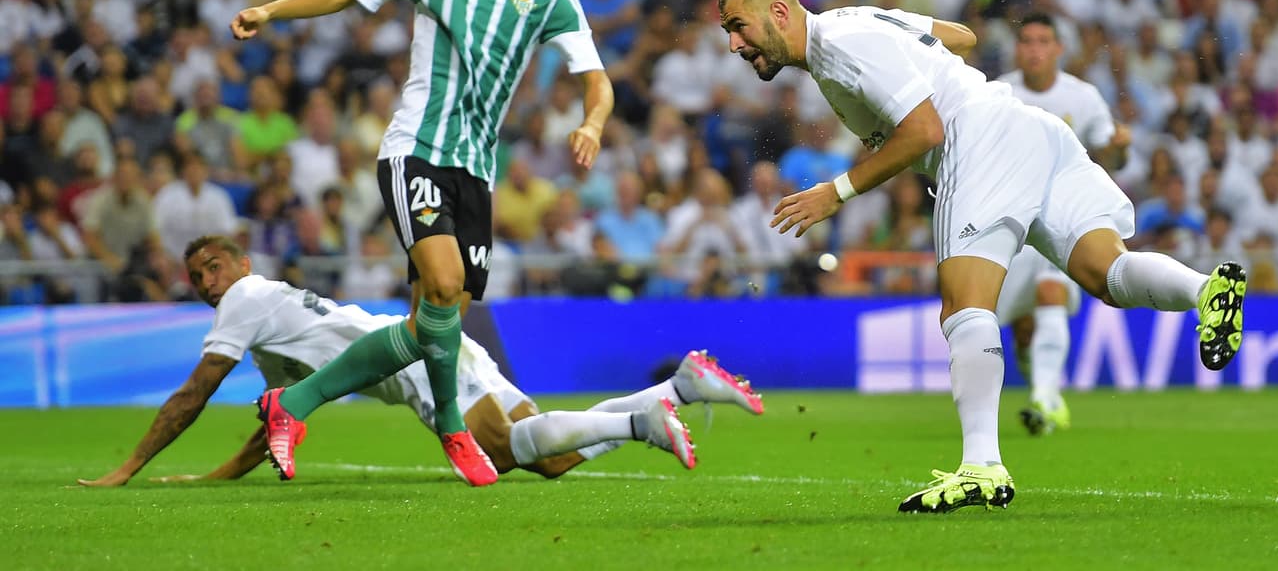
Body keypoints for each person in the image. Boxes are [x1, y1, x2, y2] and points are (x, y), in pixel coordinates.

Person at [716, 0, 1246, 514]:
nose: (733, 43)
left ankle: (982, 467)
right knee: (1107, 274)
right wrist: (917, 54)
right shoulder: (859, 21)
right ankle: (1206, 291)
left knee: (964, 304)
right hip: (1028, 128)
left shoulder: (842, 43)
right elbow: (962, 38)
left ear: (779, 13)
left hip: (978, 138)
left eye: (738, 26)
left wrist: (837, 191)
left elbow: (925, 131)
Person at [230, 0, 615, 486]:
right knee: (442, 283)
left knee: (432, 325)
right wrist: (269, 12)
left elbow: (597, 81)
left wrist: (592, 123)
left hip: (476, 171)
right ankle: (452, 424)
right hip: (416, 149)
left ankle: (293, 404)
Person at [77, 236, 764, 487]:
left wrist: (129, 467)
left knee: (518, 452)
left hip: (414, 361)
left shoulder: (244, 299)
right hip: (434, 344)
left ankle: (650, 418)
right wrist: (216, 478)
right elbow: (273, 425)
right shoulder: (266, 313)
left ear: (242, 264)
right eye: (195, 275)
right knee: (548, 457)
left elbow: (194, 392)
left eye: (213, 266)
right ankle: (677, 385)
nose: (205, 280)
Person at [996, 13, 1130, 436]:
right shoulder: (999, 95)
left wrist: (1119, 149)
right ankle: (1043, 386)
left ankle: (1046, 400)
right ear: (1017, 49)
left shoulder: (1084, 98)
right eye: (1027, 41)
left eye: (1043, 41)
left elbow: (1111, 160)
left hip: (1061, 218)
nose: (1034, 49)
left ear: (1058, 49)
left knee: (1050, 291)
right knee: (1023, 328)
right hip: (1010, 222)